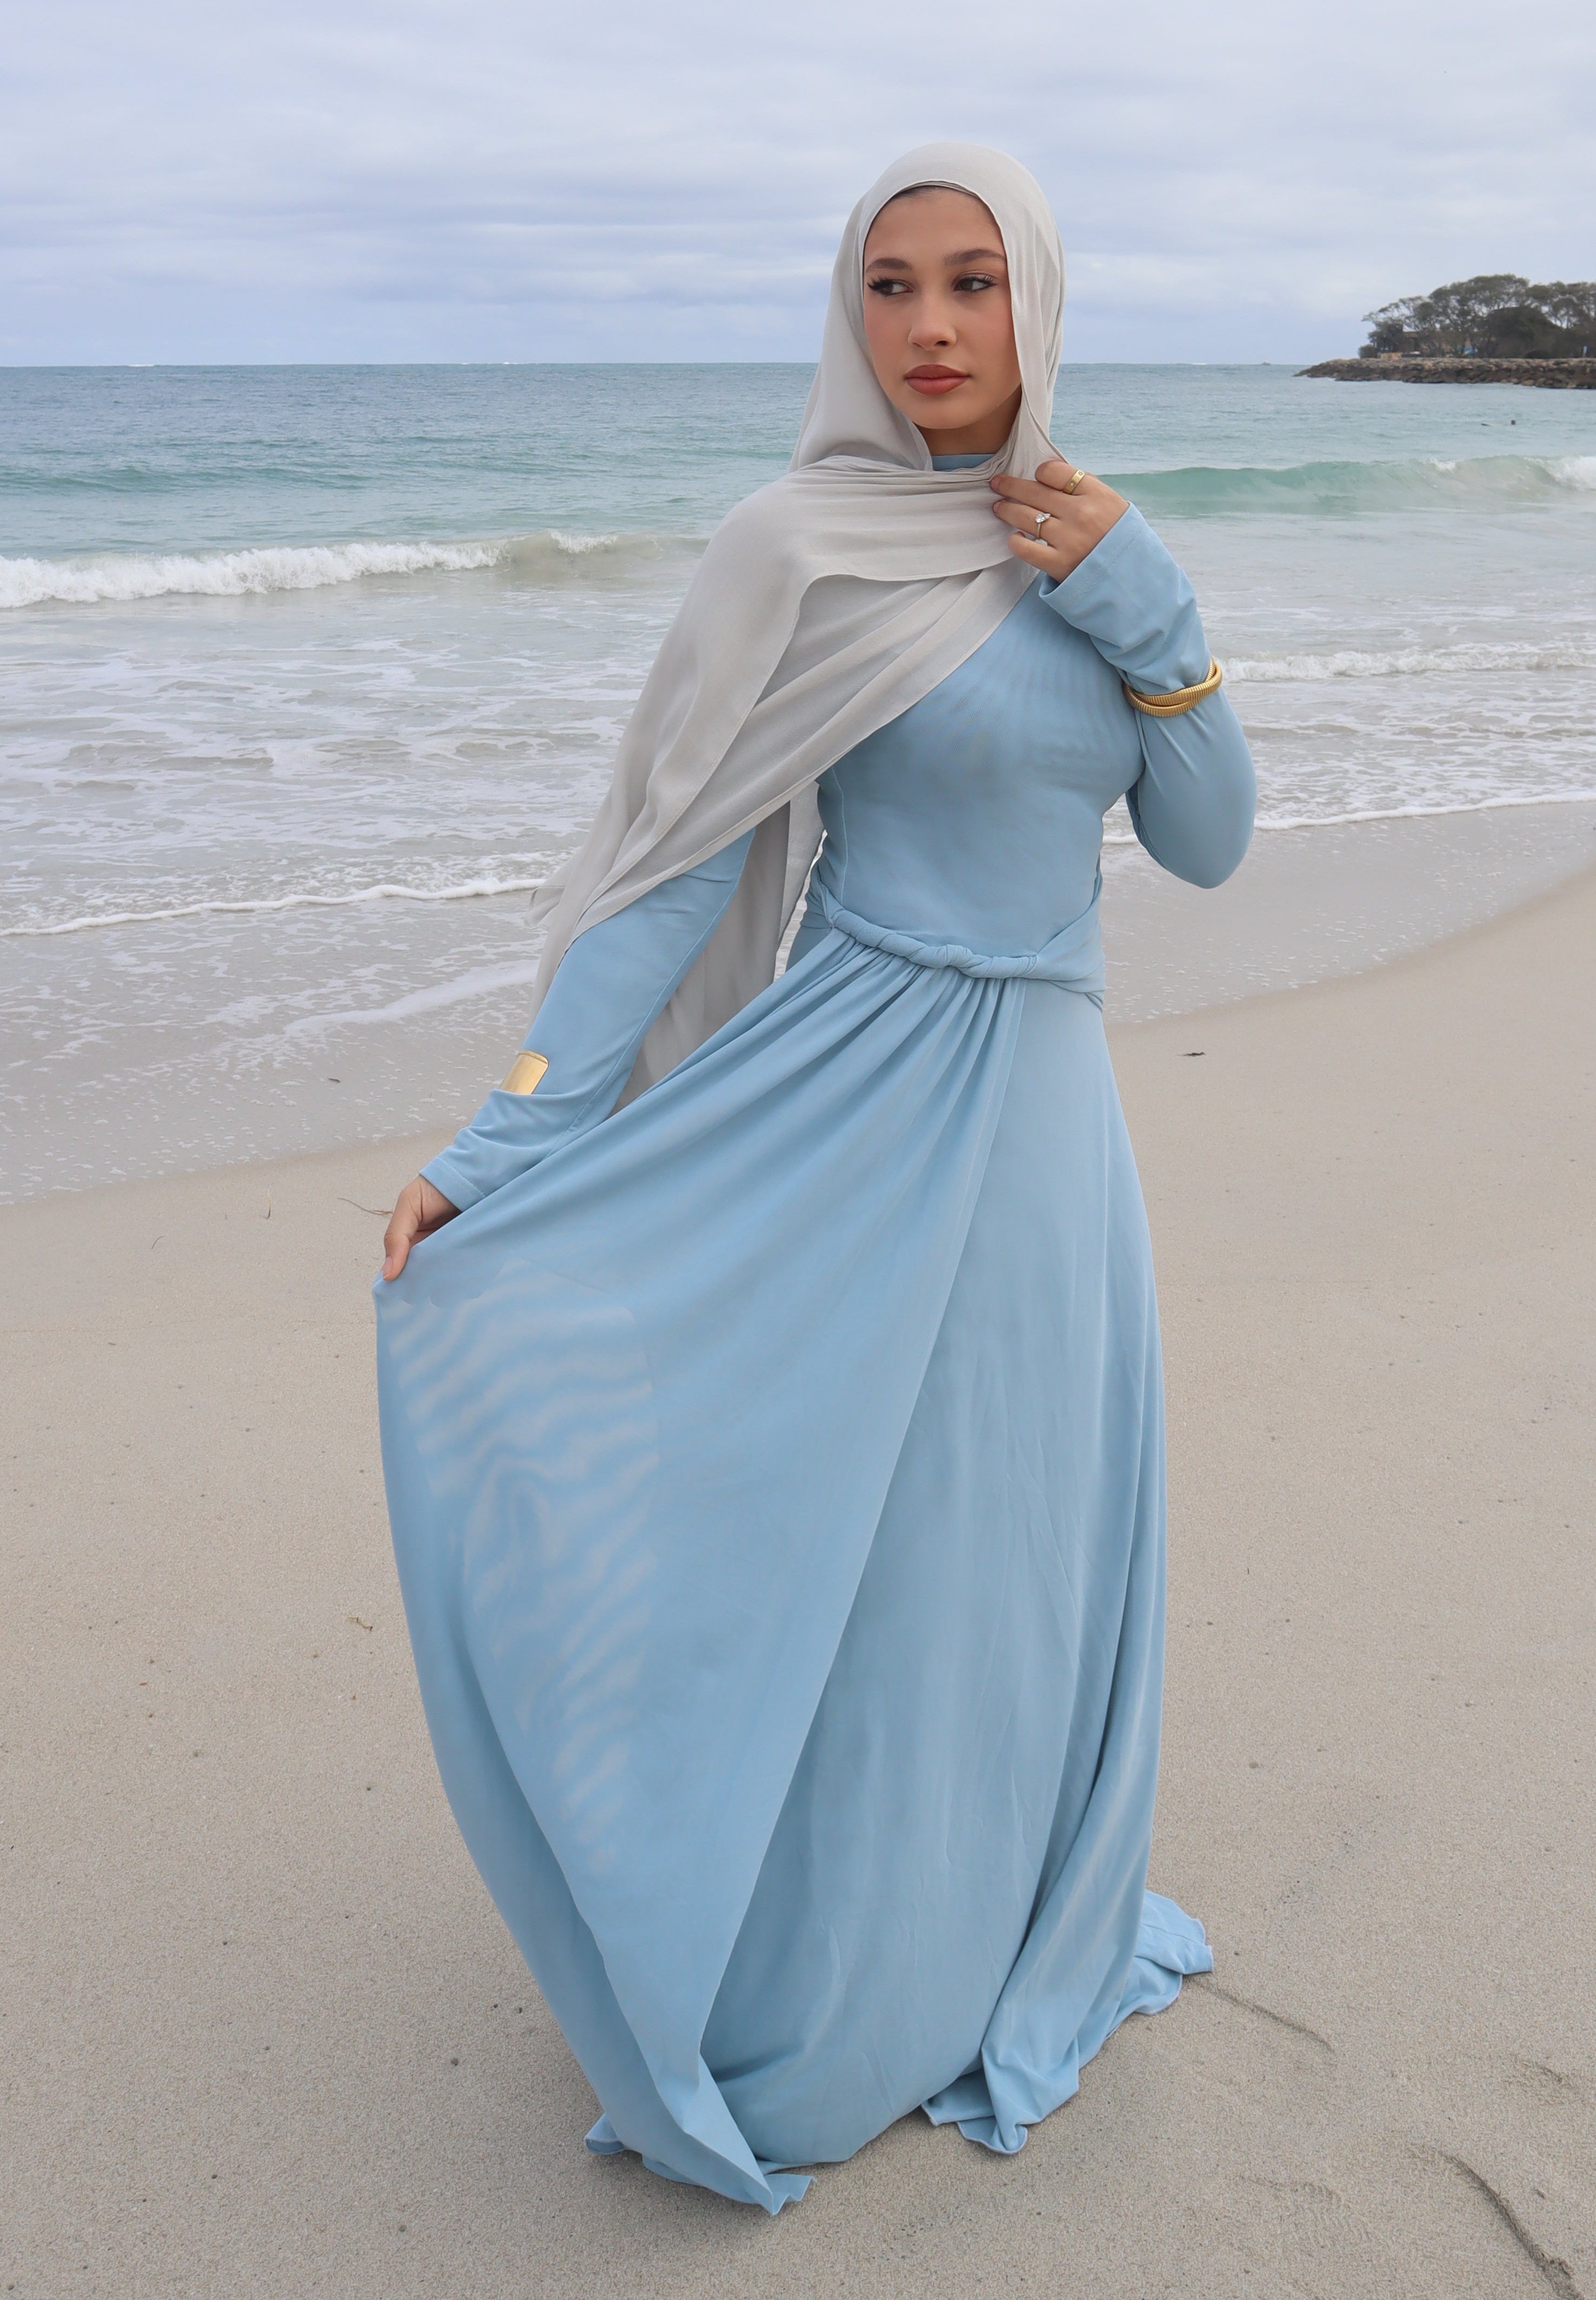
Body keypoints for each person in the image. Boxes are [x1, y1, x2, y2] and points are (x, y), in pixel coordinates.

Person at [374, 143, 1256, 2210]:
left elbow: (1209, 838)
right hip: (848, 1084)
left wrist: (1143, 597)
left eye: (973, 284)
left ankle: (991, 1935)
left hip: (1043, 1114)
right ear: (847, 312)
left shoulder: (1093, 546)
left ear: (1038, 305)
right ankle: (825, 1966)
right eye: (890, 285)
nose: (932, 328)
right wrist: (506, 1132)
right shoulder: (794, 548)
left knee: (1011, 1544)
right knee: (850, 1541)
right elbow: (670, 864)